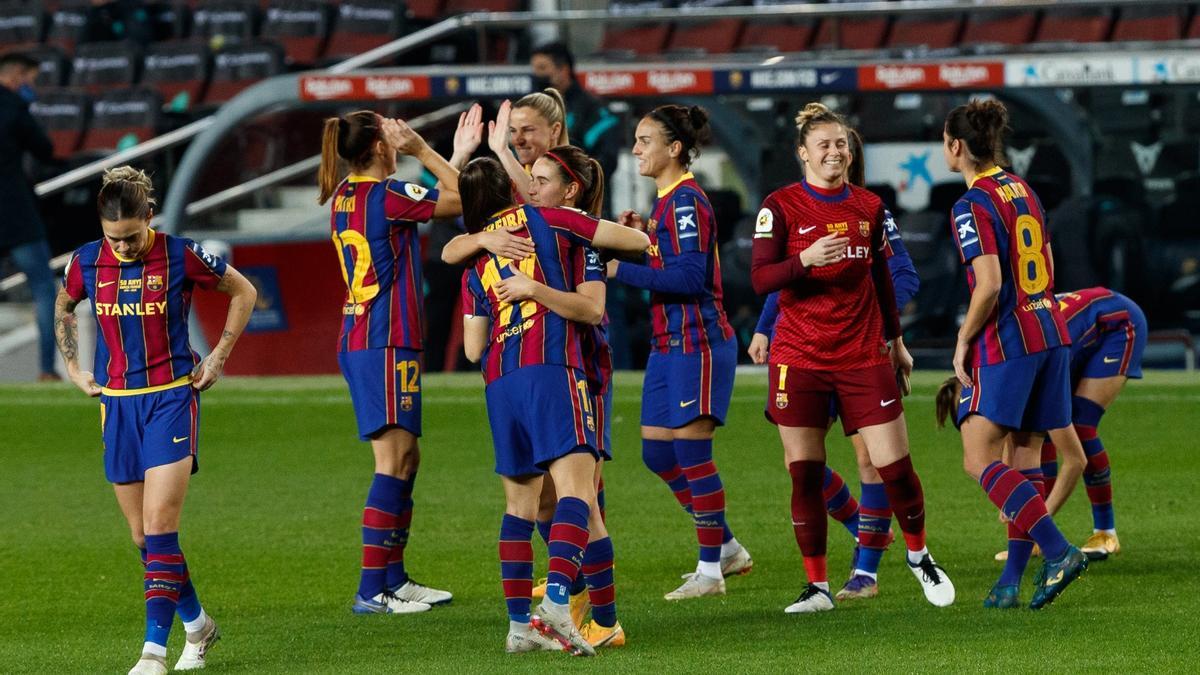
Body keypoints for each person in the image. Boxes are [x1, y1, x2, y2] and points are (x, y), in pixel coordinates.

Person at [750, 102, 954, 614]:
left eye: (841, 143)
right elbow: (760, 279)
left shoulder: (869, 207)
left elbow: (886, 280)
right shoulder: (779, 206)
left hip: (862, 353)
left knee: (895, 466)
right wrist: (803, 261)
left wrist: (896, 342)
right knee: (804, 473)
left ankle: (918, 555)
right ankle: (817, 587)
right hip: (798, 357)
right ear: (803, 154)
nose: (835, 151)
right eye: (824, 144)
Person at [54, 167, 257, 674]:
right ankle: (198, 625)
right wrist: (74, 367)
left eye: (130, 237)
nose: (121, 247)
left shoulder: (179, 253)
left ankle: (152, 653)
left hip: (170, 398)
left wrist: (218, 357)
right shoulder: (85, 261)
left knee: (161, 526)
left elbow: (243, 291)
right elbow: (63, 304)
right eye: (112, 238)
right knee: (142, 538)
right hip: (117, 404)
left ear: (150, 216)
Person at [458, 156, 648, 655]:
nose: (533, 186)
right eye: (528, 181)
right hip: (554, 370)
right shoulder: (558, 226)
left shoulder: (475, 259)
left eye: (539, 179)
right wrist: (549, 282)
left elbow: (471, 349)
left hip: (499, 380)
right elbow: (631, 257)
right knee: (577, 496)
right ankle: (562, 605)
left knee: (520, 506)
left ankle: (520, 627)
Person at [942, 98, 1088, 610]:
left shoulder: (971, 204)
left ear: (956, 147)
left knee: (978, 458)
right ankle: (1010, 584)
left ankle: (1060, 551)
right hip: (1050, 330)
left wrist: (963, 340)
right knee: (1024, 457)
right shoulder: (1022, 187)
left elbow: (988, 284)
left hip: (1008, 340)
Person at [318, 110, 465, 615]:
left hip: (369, 339)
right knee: (393, 460)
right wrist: (424, 149)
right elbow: (466, 199)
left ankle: (394, 579)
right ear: (382, 148)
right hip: (384, 340)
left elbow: (433, 200)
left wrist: (453, 156)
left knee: (408, 458)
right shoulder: (389, 195)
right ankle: (371, 589)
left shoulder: (347, 196)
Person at [606, 104, 752, 601]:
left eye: (645, 140)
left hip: (698, 344)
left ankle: (710, 571)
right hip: (668, 344)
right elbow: (674, 261)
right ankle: (727, 545)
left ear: (674, 148)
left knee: (692, 454)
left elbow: (690, 279)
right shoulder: (667, 202)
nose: (635, 149)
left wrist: (617, 271)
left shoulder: (687, 201)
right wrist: (644, 239)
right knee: (656, 452)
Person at [1035, 287, 1146, 559]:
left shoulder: (1035, 351)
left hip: (1119, 324)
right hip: (1077, 334)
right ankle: (1037, 536)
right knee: (1040, 426)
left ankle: (1106, 532)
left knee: (1080, 426)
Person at [0, 52, 58, 381]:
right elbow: (44, 149)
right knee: (42, 287)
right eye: (32, 79)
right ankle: (47, 369)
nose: (32, 87)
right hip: (14, 210)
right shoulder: (14, 109)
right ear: (18, 76)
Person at [530, 42, 620, 212]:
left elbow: (606, 161)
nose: (536, 76)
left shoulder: (594, 111)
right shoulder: (534, 111)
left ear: (563, 70)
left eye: (542, 68)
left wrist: (566, 179)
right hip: (543, 211)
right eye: (534, 70)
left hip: (588, 213)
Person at [488, 90, 569, 202]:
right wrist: (461, 154)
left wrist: (504, 152)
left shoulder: (574, 174)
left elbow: (540, 208)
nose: (517, 140)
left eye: (527, 130)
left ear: (555, 130)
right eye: (513, 131)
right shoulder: (506, 180)